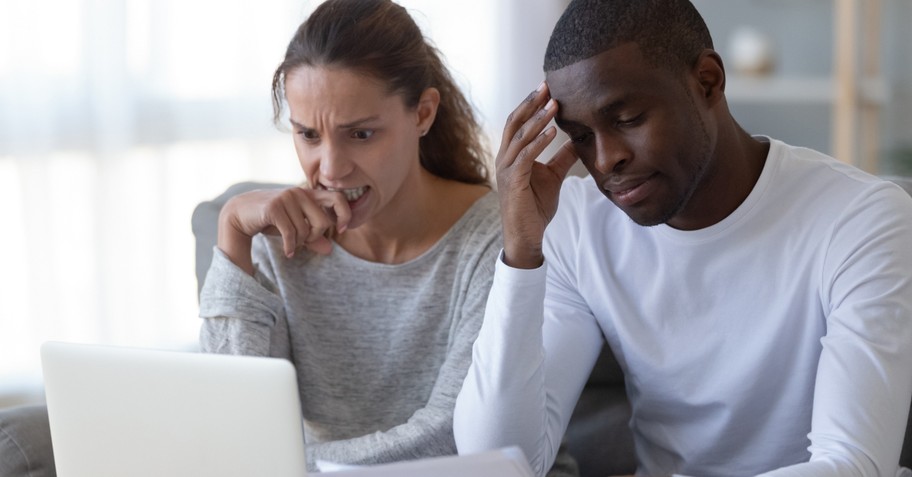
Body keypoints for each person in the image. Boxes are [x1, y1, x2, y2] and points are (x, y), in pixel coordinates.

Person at [453, 1, 912, 476]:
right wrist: (521, 256)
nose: (606, 160)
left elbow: (854, 465)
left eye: (628, 119)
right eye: (581, 138)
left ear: (708, 81)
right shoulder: (575, 225)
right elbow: (498, 460)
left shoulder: (862, 218)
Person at [197, 0, 583, 474]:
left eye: (360, 135)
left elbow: (455, 437)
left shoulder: (497, 238)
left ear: (422, 114)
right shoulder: (278, 239)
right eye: (308, 135)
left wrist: (284, 465)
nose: (331, 169)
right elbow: (231, 423)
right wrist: (233, 232)